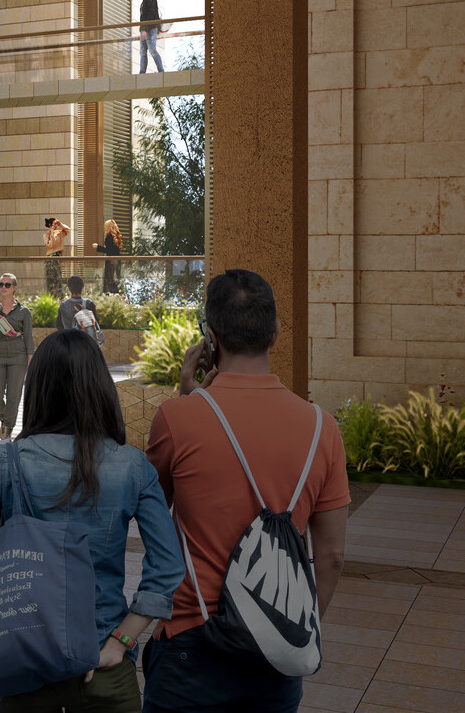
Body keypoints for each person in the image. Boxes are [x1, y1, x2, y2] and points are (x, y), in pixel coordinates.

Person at [0, 332, 184, 713]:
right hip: (104, 668)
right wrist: (121, 642)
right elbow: (167, 567)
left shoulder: (3, 463)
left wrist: (7, 612)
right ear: (101, 387)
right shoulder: (133, 466)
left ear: (39, 388)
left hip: (21, 669)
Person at [144, 269, 349, 713]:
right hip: (275, 652)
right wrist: (288, 632)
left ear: (210, 337)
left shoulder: (176, 420)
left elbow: (151, 519)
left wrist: (187, 399)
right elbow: (331, 556)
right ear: (275, 333)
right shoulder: (322, 429)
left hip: (191, 640)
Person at [0, 273, 34, 441]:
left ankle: (8, 427)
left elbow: (28, 337)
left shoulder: (24, 311)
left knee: (14, 395)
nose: (3, 287)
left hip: (17, 356)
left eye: (7, 285)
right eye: (1, 284)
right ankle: (6, 419)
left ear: (14, 287)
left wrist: (30, 360)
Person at [59, 276, 100, 343]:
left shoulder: (63, 305)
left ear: (69, 288)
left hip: (69, 342)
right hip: (86, 342)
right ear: (82, 287)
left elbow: (59, 324)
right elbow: (96, 322)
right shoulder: (89, 304)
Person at [137, 0, 164, 74]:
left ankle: (161, 71)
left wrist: (144, 30)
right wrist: (142, 30)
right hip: (144, 29)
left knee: (152, 50)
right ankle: (142, 73)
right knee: (143, 52)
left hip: (150, 29)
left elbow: (150, 15)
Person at [95, 219, 124, 295]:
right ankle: (116, 295)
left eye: (106, 227)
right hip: (117, 261)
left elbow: (108, 250)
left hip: (110, 261)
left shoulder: (109, 236)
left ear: (108, 227)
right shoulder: (117, 236)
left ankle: (110, 295)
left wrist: (98, 247)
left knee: (109, 280)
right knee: (115, 279)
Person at [43, 216, 69, 295]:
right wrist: (51, 233)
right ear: (50, 224)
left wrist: (60, 224)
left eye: (56, 224)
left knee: (58, 276)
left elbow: (68, 230)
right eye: (54, 224)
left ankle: (60, 294)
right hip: (50, 257)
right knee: (50, 277)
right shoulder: (46, 235)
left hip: (58, 256)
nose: (55, 225)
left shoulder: (59, 232)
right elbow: (50, 245)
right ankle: (50, 294)